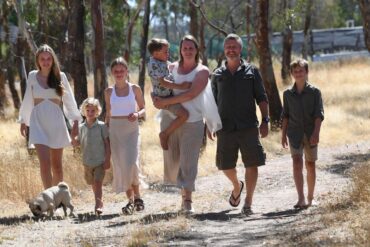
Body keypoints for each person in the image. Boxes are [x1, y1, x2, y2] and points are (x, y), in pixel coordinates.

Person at [153, 35, 221, 214]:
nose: (188, 51)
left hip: (193, 121)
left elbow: (191, 94)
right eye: (185, 48)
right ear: (181, 50)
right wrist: (156, 99)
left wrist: (167, 101)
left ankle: (187, 200)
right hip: (170, 118)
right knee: (174, 159)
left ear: (197, 50)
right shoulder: (171, 67)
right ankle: (181, 193)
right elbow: (158, 83)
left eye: (191, 48)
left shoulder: (202, 71)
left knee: (188, 161)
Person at [210, 34, 269, 216]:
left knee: (252, 163)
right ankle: (237, 186)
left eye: (234, 47)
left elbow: (262, 98)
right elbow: (211, 102)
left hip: (248, 127)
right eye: (228, 47)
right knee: (224, 165)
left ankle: (248, 203)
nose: (231, 50)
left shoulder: (252, 71)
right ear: (224, 50)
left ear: (240, 49)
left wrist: (265, 120)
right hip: (225, 128)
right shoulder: (217, 74)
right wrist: (209, 124)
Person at [19, 44, 82, 189]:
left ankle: (57, 198)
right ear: (38, 61)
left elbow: (69, 101)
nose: (46, 62)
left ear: (53, 60)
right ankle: (48, 199)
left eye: (48, 59)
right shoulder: (32, 76)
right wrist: (24, 121)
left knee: (57, 166)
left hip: (56, 123)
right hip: (38, 123)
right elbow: (28, 98)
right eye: (43, 59)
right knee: (45, 164)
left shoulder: (61, 76)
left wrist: (75, 123)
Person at [104, 57, 146, 215]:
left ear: (127, 71)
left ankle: (138, 196)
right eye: (116, 71)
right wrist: (104, 132)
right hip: (115, 130)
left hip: (131, 130)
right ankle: (131, 200)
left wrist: (137, 113)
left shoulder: (135, 89)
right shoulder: (108, 92)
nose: (119, 73)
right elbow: (108, 114)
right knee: (121, 165)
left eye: (122, 70)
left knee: (132, 163)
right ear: (112, 73)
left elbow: (143, 109)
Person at [281, 58, 324, 209]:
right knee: (297, 162)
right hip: (293, 134)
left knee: (310, 164)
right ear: (292, 73)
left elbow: (318, 115)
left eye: (301, 70)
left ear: (306, 72)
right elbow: (285, 115)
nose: (298, 73)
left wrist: (316, 133)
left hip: (310, 133)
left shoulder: (315, 92)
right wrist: (283, 135)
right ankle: (301, 198)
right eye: (295, 71)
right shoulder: (287, 94)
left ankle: (311, 198)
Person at [147, 38, 191, 150]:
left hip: (168, 95)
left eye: (168, 51)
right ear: (155, 53)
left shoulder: (164, 62)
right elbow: (163, 82)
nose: (168, 53)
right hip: (165, 98)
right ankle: (165, 134)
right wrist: (181, 86)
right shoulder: (154, 64)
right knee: (184, 115)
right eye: (165, 52)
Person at [74, 97, 111, 215]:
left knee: (98, 182)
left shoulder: (101, 126)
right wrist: (74, 140)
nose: (90, 113)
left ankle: (98, 204)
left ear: (97, 112)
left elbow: (107, 143)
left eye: (93, 111)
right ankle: (99, 201)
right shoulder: (81, 127)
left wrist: (107, 159)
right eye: (88, 111)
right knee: (92, 183)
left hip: (100, 160)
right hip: (87, 161)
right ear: (84, 112)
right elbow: (78, 142)